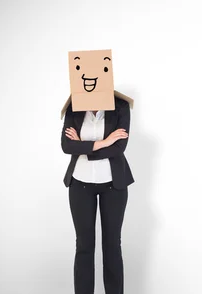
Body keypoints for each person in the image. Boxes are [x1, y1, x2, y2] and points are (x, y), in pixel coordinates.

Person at [61, 96, 135, 294]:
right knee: (84, 245)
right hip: (80, 184)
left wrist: (84, 145)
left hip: (113, 184)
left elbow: (119, 147)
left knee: (112, 245)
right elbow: (67, 146)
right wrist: (104, 142)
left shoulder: (120, 107)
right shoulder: (74, 107)